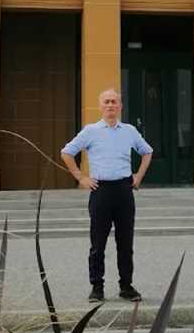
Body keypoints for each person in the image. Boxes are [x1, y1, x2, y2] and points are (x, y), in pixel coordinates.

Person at [60, 88, 153, 303]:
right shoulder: (90, 131)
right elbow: (66, 152)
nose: (110, 105)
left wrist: (138, 176)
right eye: (106, 102)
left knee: (125, 242)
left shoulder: (129, 131)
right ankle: (97, 286)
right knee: (98, 242)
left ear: (120, 106)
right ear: (100, 106)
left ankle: (126, 286)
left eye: (114, 102)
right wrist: (80, 177)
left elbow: (147, 152)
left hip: (124, 191)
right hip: (100, 191)